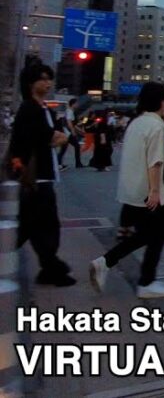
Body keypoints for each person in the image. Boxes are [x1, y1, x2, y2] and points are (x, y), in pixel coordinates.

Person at [89, 82, 164, 298]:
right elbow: (155, 162)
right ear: (160, 101)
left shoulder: (136, 123)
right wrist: (155, 191)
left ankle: (106, 263)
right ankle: (145, 282)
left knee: (150, 234)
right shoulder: (156, 125)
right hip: (149, 190)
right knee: (157, 234)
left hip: (131, 189)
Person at [8, 63, 75, 286]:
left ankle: (50, 267)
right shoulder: (30, 109)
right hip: (35, 178)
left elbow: (54, 136)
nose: (47, 83)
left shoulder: (42, 108)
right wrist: (58, 138)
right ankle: (51, 268)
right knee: (38, 226)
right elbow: (47, 137)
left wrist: (57, 137)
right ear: (30, 83)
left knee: (34, 226)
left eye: (49, 79)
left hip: (41, 176)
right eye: (42, 79)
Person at [57, 97, 83, 169]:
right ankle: (78, 163)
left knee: (64, 148)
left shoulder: (70, 111)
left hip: (66, 132)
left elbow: (73, 124)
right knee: (76, 146)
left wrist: (79, 130)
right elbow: (69, 123)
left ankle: (58, 163)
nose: (77, 105)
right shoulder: (69, 111)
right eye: (76, 103)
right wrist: (73, 131)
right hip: (67, 133)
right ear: (73, 104)